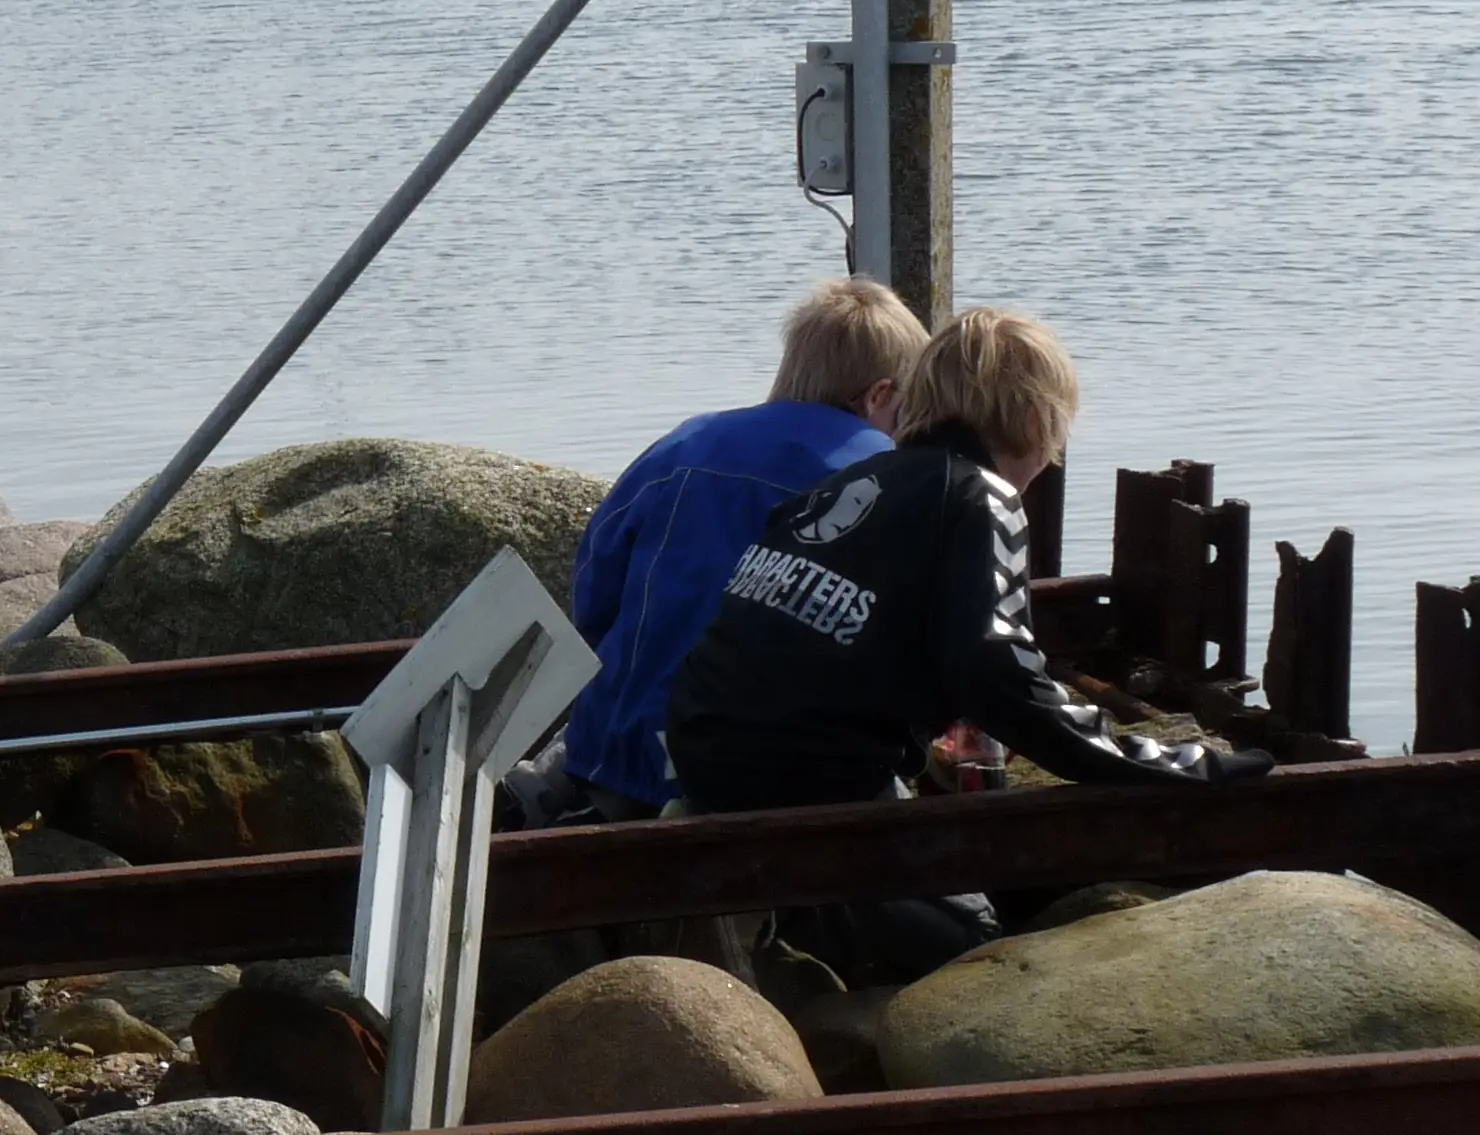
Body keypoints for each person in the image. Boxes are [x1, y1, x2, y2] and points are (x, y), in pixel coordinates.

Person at [665, 306, 1267, 982]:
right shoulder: (980, 497)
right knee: (971, 940)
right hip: (808, 789)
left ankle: (787, 942)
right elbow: (995, 672)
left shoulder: (841, 489)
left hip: (705, 755)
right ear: (1040, 424)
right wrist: (1169, 763)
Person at [529, 276, 931, 826]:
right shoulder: (887, 478)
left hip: (622, 756)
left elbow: (595, 600)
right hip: (776, 780)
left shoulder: (684, 445)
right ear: (881, 395)